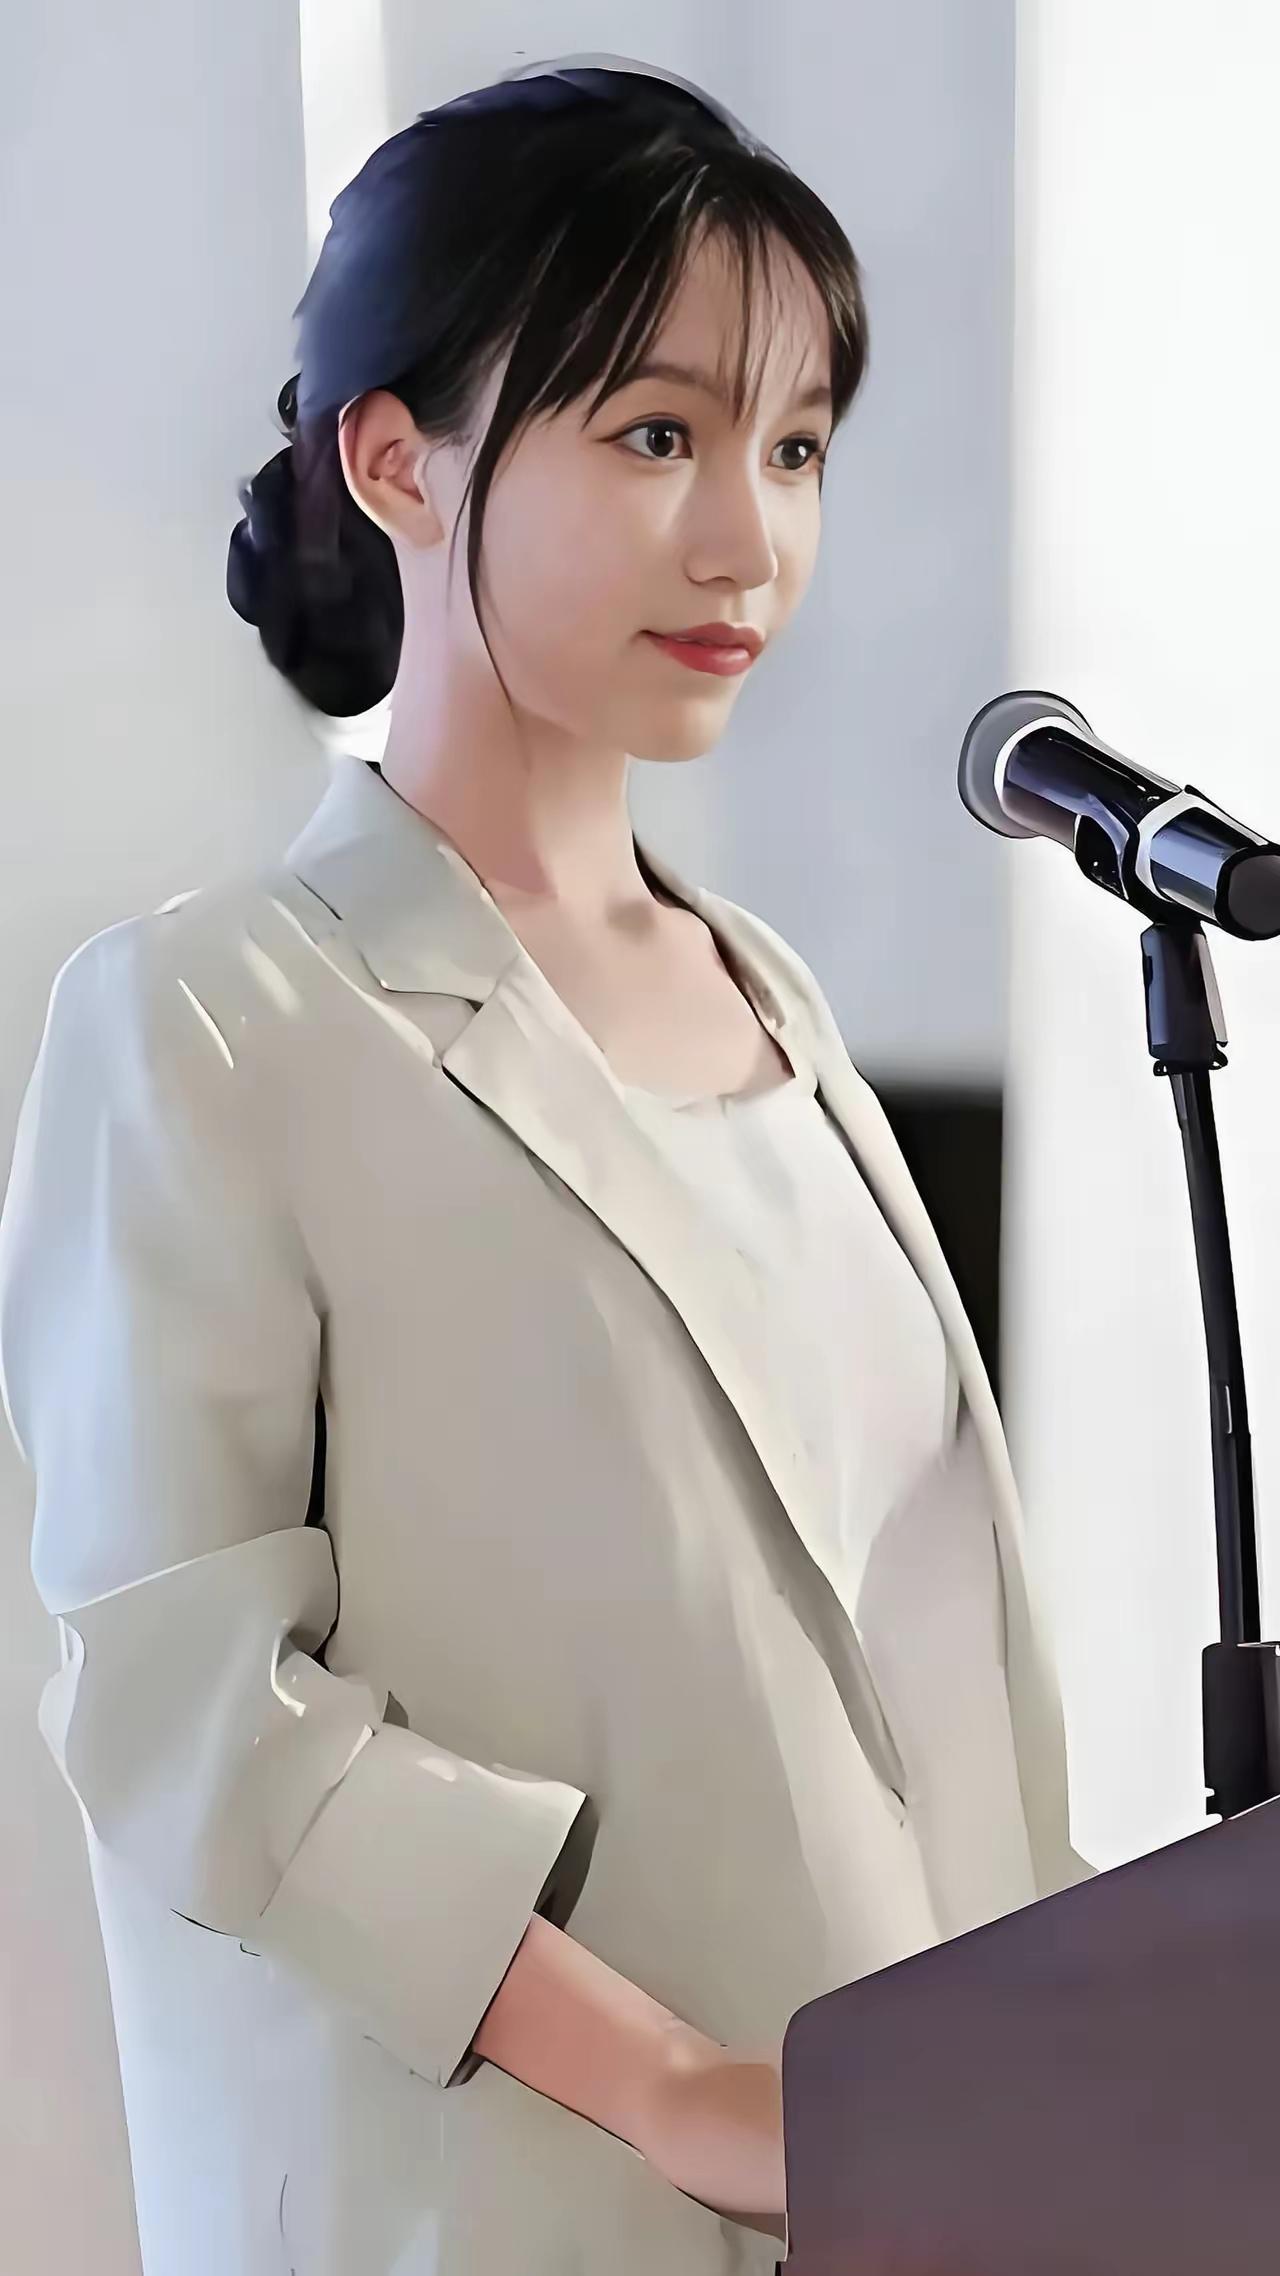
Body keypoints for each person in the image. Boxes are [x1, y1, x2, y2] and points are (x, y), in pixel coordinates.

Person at [0, 53, 1092, 2276]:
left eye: (796, 448)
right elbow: (192, 1715)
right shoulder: (210, 1014)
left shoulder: (774, 1004)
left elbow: (925, 1683)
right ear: (396, 459)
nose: (748, 538)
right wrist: (694, 2097)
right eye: (658, 434)